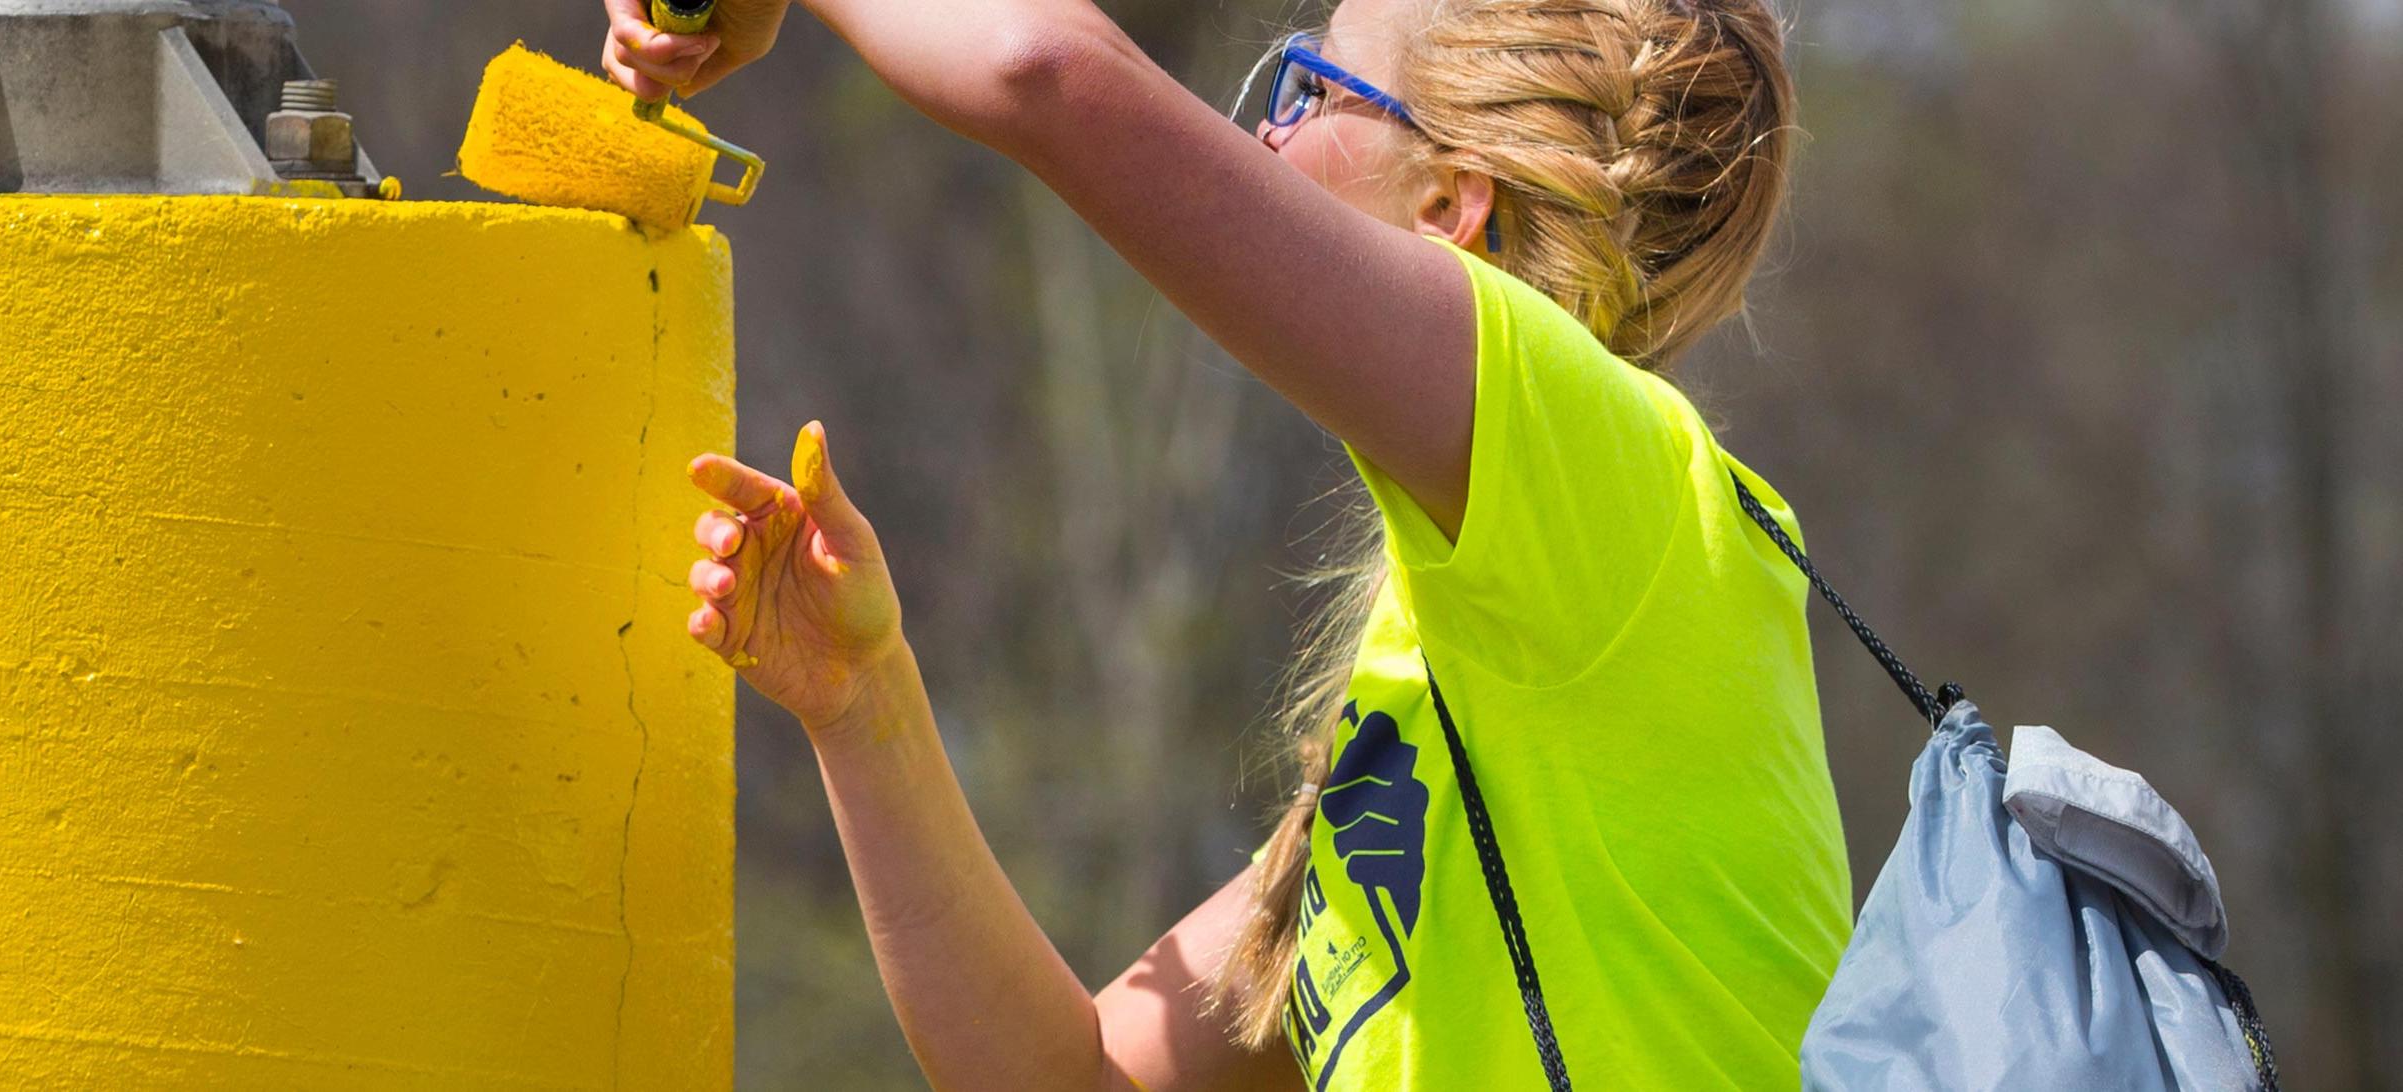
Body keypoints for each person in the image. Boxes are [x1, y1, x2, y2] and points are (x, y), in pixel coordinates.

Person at [626, 0, 1835, 1087]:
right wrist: (862, 701)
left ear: (1446, 208)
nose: (1260, 138)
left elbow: (1045, 73)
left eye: (1306, 88)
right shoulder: (1457, 668)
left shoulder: (1616, 473)